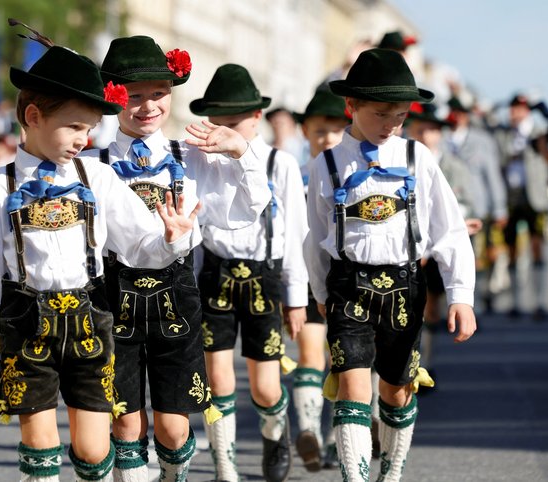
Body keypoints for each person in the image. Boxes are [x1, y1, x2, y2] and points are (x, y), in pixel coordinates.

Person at [0, 45, 199, 482]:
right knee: (40, 445)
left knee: (93, 448)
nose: (85, 140)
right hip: (26, 326)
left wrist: (170, 240)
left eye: (90, 128)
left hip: (90, 322)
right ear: (33, 117)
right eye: (74, 127)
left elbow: (139, 245)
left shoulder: (97, 177)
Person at [80, 36, 271, 482]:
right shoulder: (92, 162)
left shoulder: (193, 156)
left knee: (172, 425)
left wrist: (242, 151)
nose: (147, 106)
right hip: (113, 295)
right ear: (111, 97)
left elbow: (246, 209)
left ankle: (173, 474)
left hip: (176, 296)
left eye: (158, 94)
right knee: (125, 419)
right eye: (134, 95)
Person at [304, 48, 477, 482]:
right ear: (352, 106)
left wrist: (461, 295)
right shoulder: (326, 165)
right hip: (348, 285)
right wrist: (321, 294)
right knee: (352, 387)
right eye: (381, 113)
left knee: (397, 392)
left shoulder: (419, 159)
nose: (391, 124)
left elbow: (449, 230)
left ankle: (392, 471)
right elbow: (314, 238)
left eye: (400, 115)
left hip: (403, 282)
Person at [189, 63, 308, 482]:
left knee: (264, 386)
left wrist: (296, 297)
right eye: (217, 123)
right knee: (217, 378)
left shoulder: (282, 165)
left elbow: (294, 234)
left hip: (264, 276)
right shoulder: (201, 162)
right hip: (215, 274)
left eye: (234, 123)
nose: (225, 133)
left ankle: (276, 432)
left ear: (257, 117)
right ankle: (226, 467)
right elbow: (195, 228)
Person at [290, 86, 350, 471]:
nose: (326, 137)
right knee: (312, 354)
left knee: (341, 360)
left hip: (344, 277)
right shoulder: (293, 176)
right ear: (305, 133)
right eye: (318, 131)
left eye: (334, 130)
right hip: (304, 273)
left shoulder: (352, 174)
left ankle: (328, 437)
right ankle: (313, 431)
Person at [404, 102, 482, 372]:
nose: (426, 135)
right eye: (420, 129)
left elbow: (466, 203)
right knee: (410, 305)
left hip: (441, 247)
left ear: (440, 133)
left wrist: (462, 219)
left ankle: (423, 359)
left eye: (432, 130)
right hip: (410, 247)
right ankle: (409, 360)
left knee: (431, 307)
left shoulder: (454, 166)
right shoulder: (402, 161)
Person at [444, 95, 508, 314]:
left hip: (476, 208)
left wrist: (499, 207)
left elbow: (493, 176)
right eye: (453, 114)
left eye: (460, 113)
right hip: (448, 209)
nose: (457, 118)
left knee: (475, 259)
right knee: (447, 259)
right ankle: (447, 307)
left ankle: (476, 304)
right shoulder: (440, 138)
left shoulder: (482, 141)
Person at [493, 93, 548, 319]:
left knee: (537, 247)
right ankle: (516, 301)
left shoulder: (537, 132)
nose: (513, 113)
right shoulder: (504, 133)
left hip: (533, 196)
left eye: (519, 109)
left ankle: (538, 301)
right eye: (512, 108)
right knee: (512, 249)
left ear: (527, 111)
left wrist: (543, 111)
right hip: (511, 196)